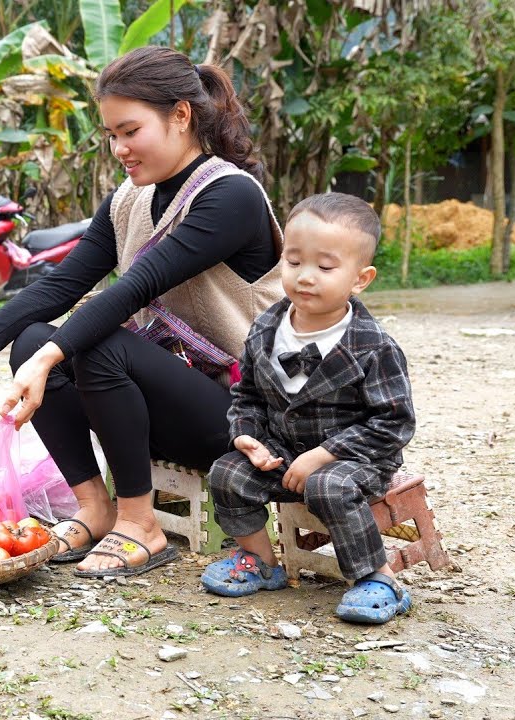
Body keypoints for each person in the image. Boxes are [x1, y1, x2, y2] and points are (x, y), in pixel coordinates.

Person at [0, 46, 284, 577]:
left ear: (181, 116)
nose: (118, 148)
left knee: (94, 343)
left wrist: (48, 360)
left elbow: (136, 287)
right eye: (112, 135)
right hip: (166, 402)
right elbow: (66, 282)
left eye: (130, 131)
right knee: (32, 339)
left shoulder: (230, 196)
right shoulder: (128, 201)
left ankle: (142, 525)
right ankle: (96, 508)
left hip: (240, 416)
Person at [200, 192, 415, 624]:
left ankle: (378, 577)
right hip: (283, 449)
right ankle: (259, 561)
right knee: (226, 473)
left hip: (355, 459)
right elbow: (249, 396)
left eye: (326, 266)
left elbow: (393, 422)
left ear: (361, 278)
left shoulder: (372, 346)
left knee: (328, 486)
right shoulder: (266, 327)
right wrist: (248, 438)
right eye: (294, 262)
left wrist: (323, 455)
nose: (306, 277)